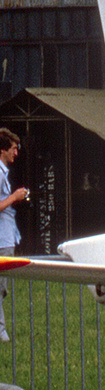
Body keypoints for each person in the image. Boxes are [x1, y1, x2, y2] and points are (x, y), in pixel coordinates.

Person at [0, 130, 25, 344]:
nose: (16, 153)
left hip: (6, 237)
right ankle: (1, 331)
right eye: (14, 148)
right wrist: (14, 197)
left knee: (2, 287)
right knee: (0, 287)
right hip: (1, 240)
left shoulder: (3, 172)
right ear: (3, 149)